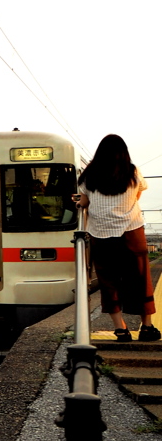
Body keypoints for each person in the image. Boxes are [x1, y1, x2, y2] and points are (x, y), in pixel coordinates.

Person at [74, 134, 159, 342]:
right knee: (140, 279)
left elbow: (84, 202)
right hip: (131, 231)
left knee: (108, 281)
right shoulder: (132, 171)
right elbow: (137, 194)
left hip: (101, 235)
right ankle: (147, 328)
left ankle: (120, 329)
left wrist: (80, 203)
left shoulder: (89, 175)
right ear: (124, 153)